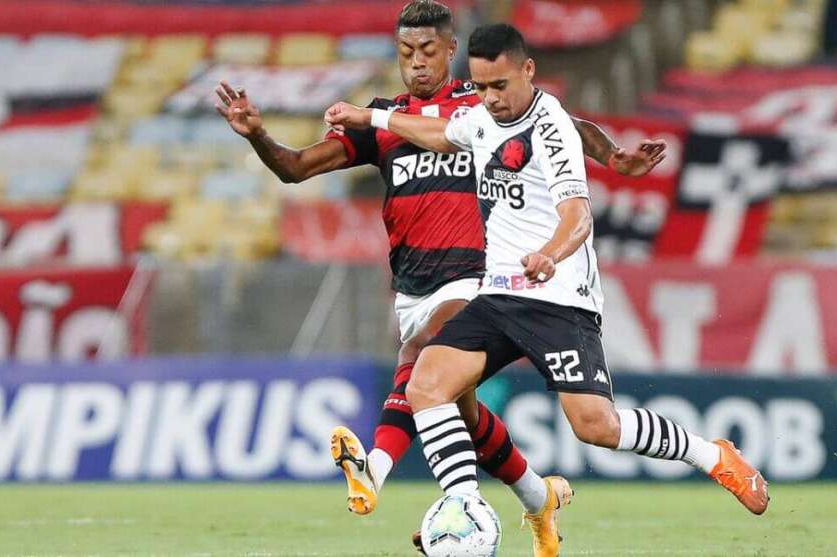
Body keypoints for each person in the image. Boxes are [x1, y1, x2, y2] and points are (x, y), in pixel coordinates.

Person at [216, 2, 666, 555]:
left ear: (451, 50)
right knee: (463, 411)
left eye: (428, 50)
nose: (417, 62)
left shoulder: (482, 103)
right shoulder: (381, 120)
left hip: (478, 278)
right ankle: (537, 498)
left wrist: (614, 156)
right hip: (412, 285)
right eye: (406, 52)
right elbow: (295, 168)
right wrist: (257, 135)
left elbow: (566, 126)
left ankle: (389, 477)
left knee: (423, 354)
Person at [324, 22, 771, 543]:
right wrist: (370, 116)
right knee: (427, 382)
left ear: (528, 71)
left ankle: (714, 455)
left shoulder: (550, 126)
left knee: (596, 427)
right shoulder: (482, 117)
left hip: (558, 299)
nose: (490, 99)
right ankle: (462, 507)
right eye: (482, 87)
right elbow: (440, 133)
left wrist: (550, 255)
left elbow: (579, 216)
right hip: (496, 294)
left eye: (500, 87)